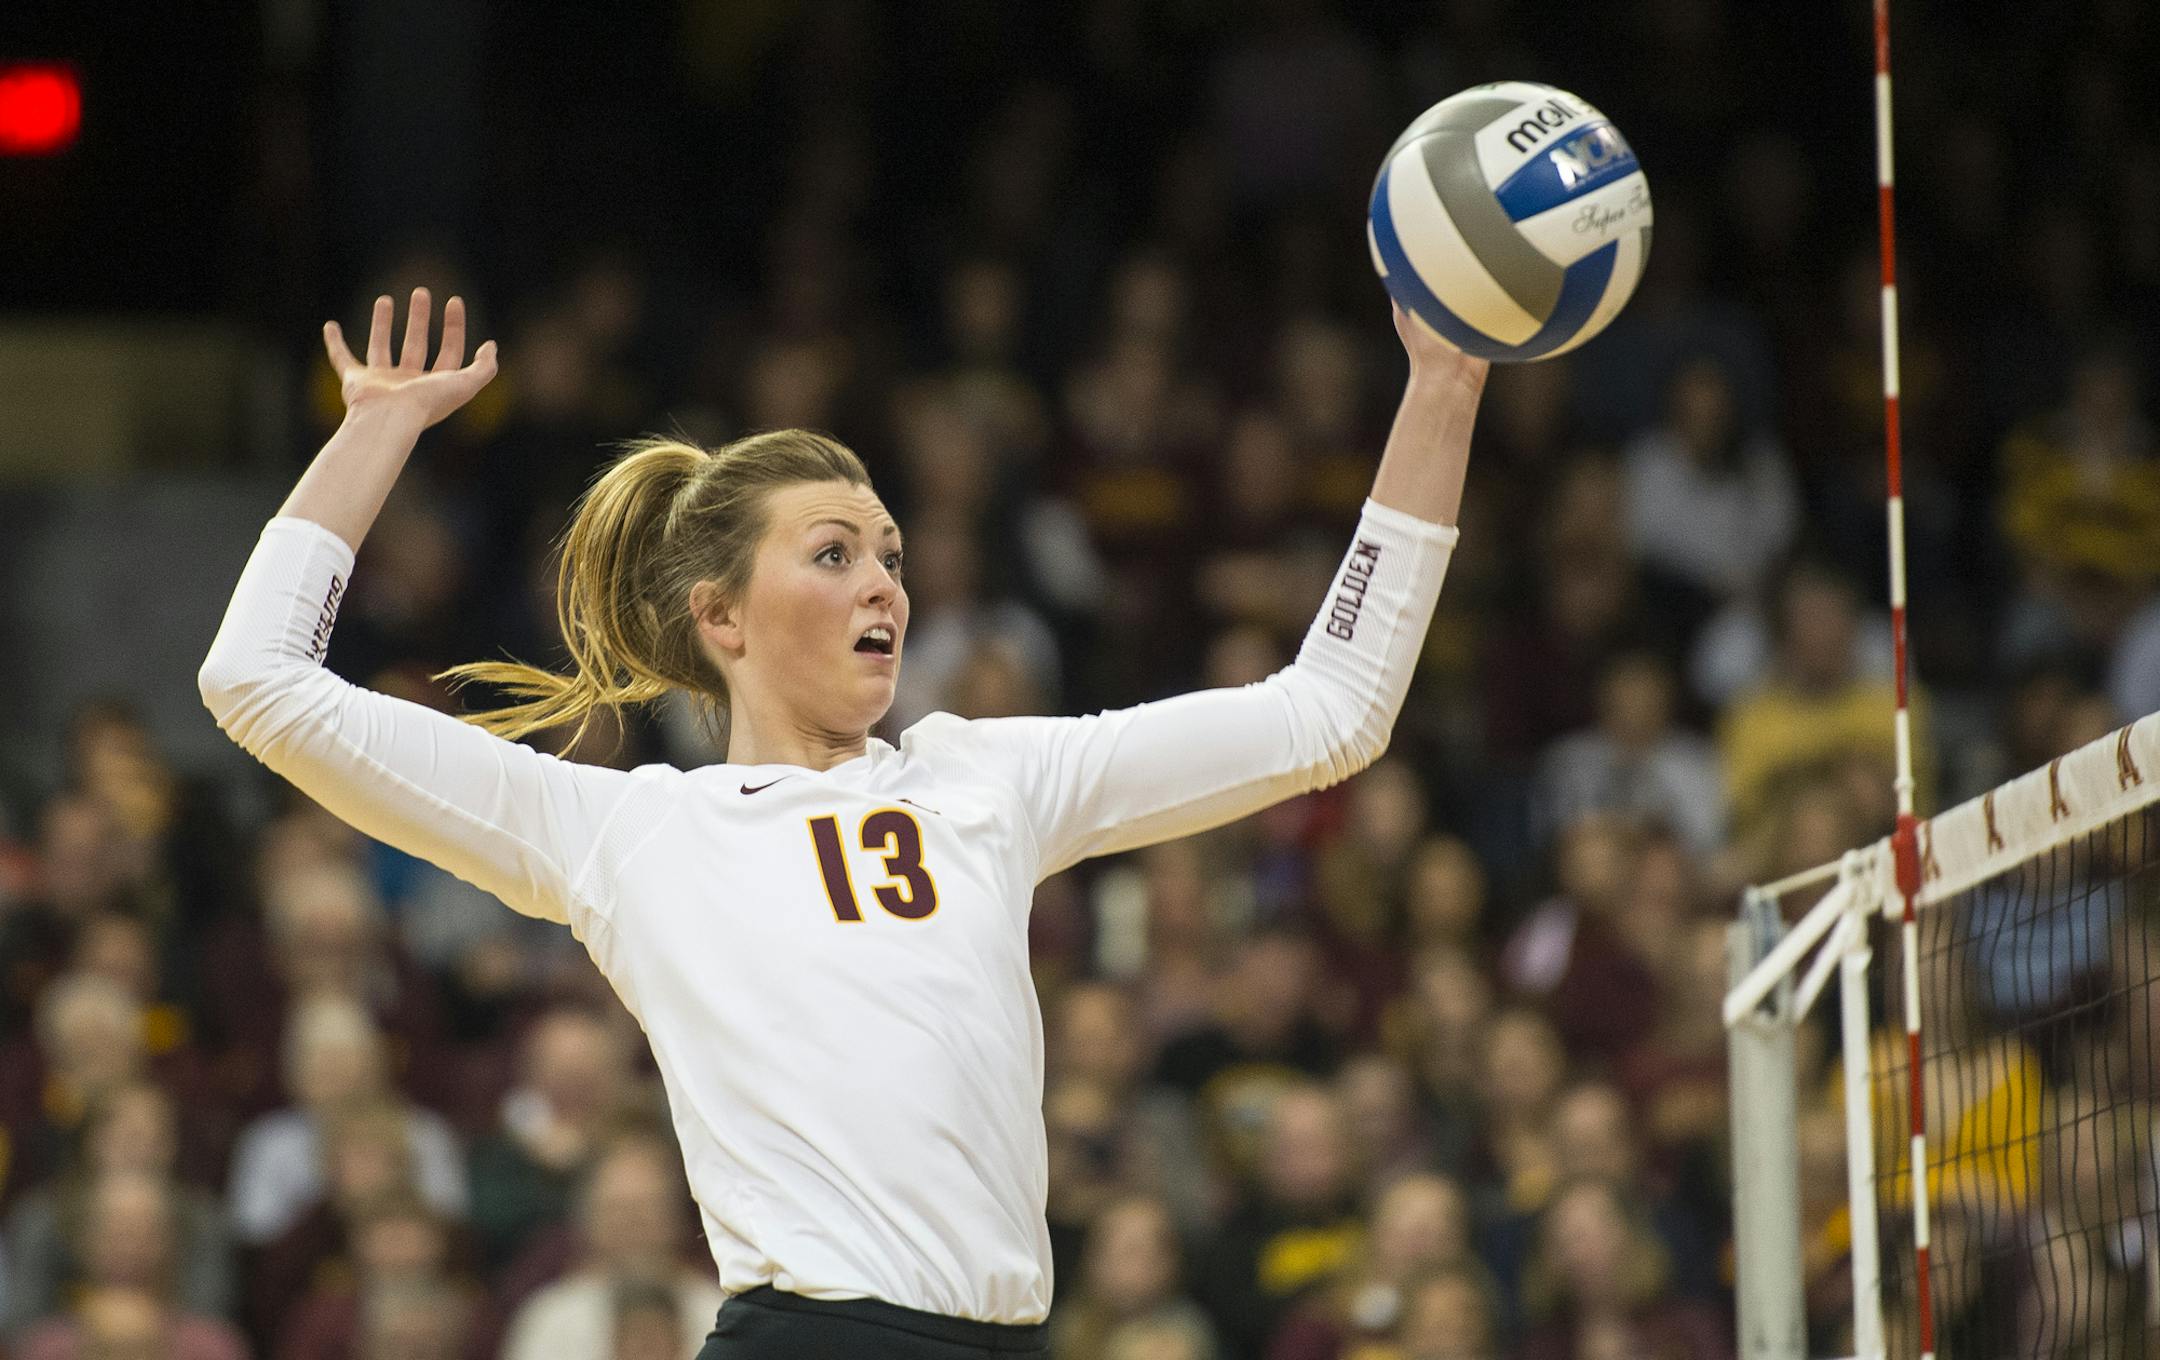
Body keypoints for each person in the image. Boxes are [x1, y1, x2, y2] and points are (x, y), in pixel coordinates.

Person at [198, 288, 1488, 1359]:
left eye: (890, 554)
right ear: (721, 619)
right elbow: (256, 680)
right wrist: (377, 429)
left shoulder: (987, 780)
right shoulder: (626, 835)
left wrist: (1445, 376)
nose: (883, 582)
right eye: (832, 554)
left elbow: (1332, 712)